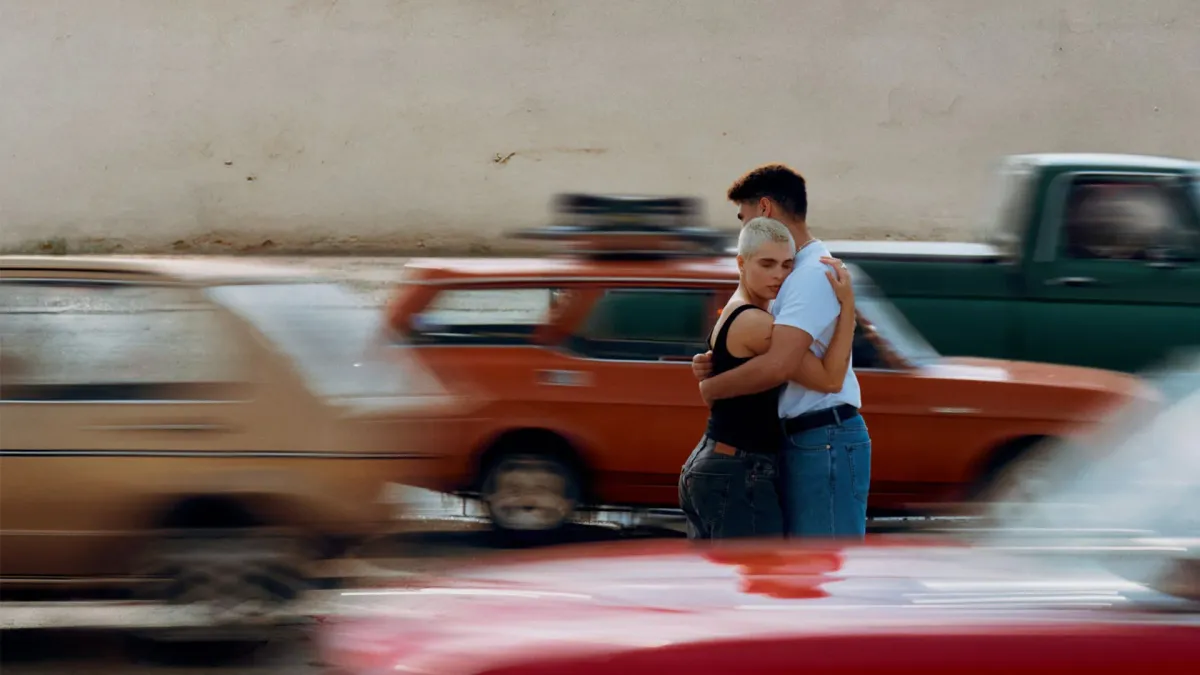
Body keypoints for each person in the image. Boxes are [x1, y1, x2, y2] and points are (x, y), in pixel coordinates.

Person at [693, 164, 873, 539]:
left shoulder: (811, 274)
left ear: (764, 208)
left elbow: (780, 365)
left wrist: (713, 387)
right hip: (802, 437)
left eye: (743, 217)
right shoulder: (789, 272)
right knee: (797, 565)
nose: (744, 229)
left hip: (824, 434)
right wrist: (719, 360)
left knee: (823, 562)